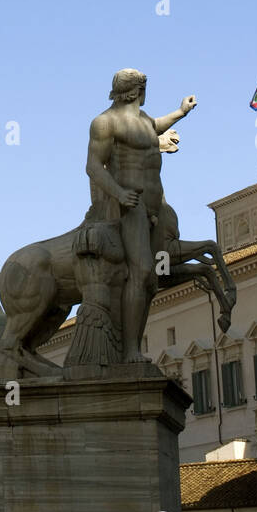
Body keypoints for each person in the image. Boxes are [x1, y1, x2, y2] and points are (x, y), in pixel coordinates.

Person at [85, 71, 196, 363]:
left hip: (154, 206)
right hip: (130, 207)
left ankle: (132, 344)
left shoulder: (145, 121)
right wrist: (119, 194)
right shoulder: (104, 122)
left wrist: (181, 112)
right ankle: (130, 351)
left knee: (155, 276)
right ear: (137, 92)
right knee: (143, 271)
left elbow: (157, 126)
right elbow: (94, 167)